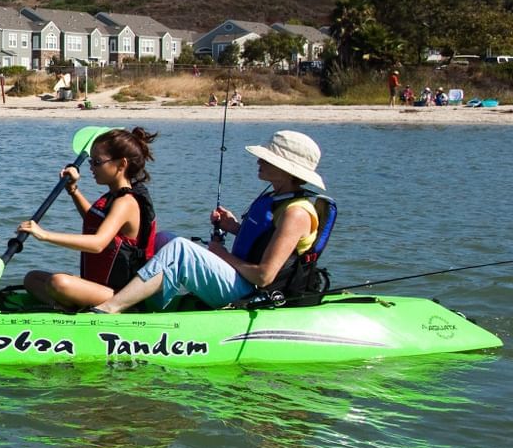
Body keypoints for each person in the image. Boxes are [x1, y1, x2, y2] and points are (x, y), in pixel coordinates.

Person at [93, 130, 334, 313]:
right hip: (241, 278)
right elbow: (264, 243)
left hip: (255, 292)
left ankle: (110, 308)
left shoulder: (296, 213)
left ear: (286, 169)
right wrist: (235, 228)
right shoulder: (276, 198)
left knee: (180, 250)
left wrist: (221, 254)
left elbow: (264, 276)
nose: (259, 161)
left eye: (267, 159)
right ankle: (139, 299)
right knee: (165, 239)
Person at [18, 127, 160, 310]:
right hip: (97, 285)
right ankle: (65, 307)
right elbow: (93, 220)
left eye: (97, 162)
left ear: (121, 164)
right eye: (91, 161)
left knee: (58, 282)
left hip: (119, 293)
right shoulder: (113, 196)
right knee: (32, 278)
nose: (91, 167)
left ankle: (69, 305)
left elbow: (98, 243)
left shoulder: (126, 202)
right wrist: (73, 190)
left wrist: (44, 235)